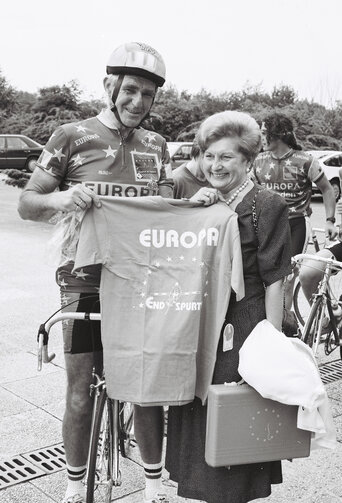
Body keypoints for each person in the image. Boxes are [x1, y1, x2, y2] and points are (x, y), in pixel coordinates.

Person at [18, 41, 173, 503]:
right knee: (81, 388)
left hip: (139, 279)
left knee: (146, 389)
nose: (138, 102)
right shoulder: (71, 135)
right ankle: (71, 485)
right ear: (110, 87)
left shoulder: (156, 145)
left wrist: (198, 201)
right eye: (130, 91)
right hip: (82, 278)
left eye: (148, 95)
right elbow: (28, 204)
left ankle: (153, 486)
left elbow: (166, 209)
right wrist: (60, 199)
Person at [165, 110, 292, 503]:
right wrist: (195, 210)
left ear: (248, 161)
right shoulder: (205, 200)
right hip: (206, 322)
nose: (215, 165)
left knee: (234, 415)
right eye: (209, 156)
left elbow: (275, 282)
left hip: (245, 323)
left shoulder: (266, 204)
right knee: (202, 414)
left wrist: (269, 348)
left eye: (226, 157)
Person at [252, 112, 337, 323]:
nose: (261, 137)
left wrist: (329, 220)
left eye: (264, 132)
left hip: (296, 222)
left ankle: (284, 327)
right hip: (266, 223)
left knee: (287, 279)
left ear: (278, 134)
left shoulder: (305, 161)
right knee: (260, 275)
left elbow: (327, 190)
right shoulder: (259, 160)